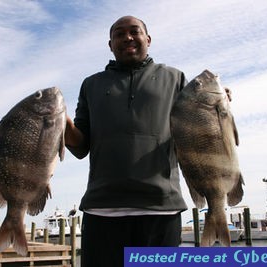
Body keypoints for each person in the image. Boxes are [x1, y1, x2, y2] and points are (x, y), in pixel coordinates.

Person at [64, 15, 188, 267]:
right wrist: (63, 125)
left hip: (162, 209)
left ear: (148, 39)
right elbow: (79, 146)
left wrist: (218, 103)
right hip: (102, 210)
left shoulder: (176, 78)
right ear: (110, 44)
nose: (127, 37)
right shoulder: (91, 84)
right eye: (119, 34)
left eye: (134, 31)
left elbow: (198, 130)